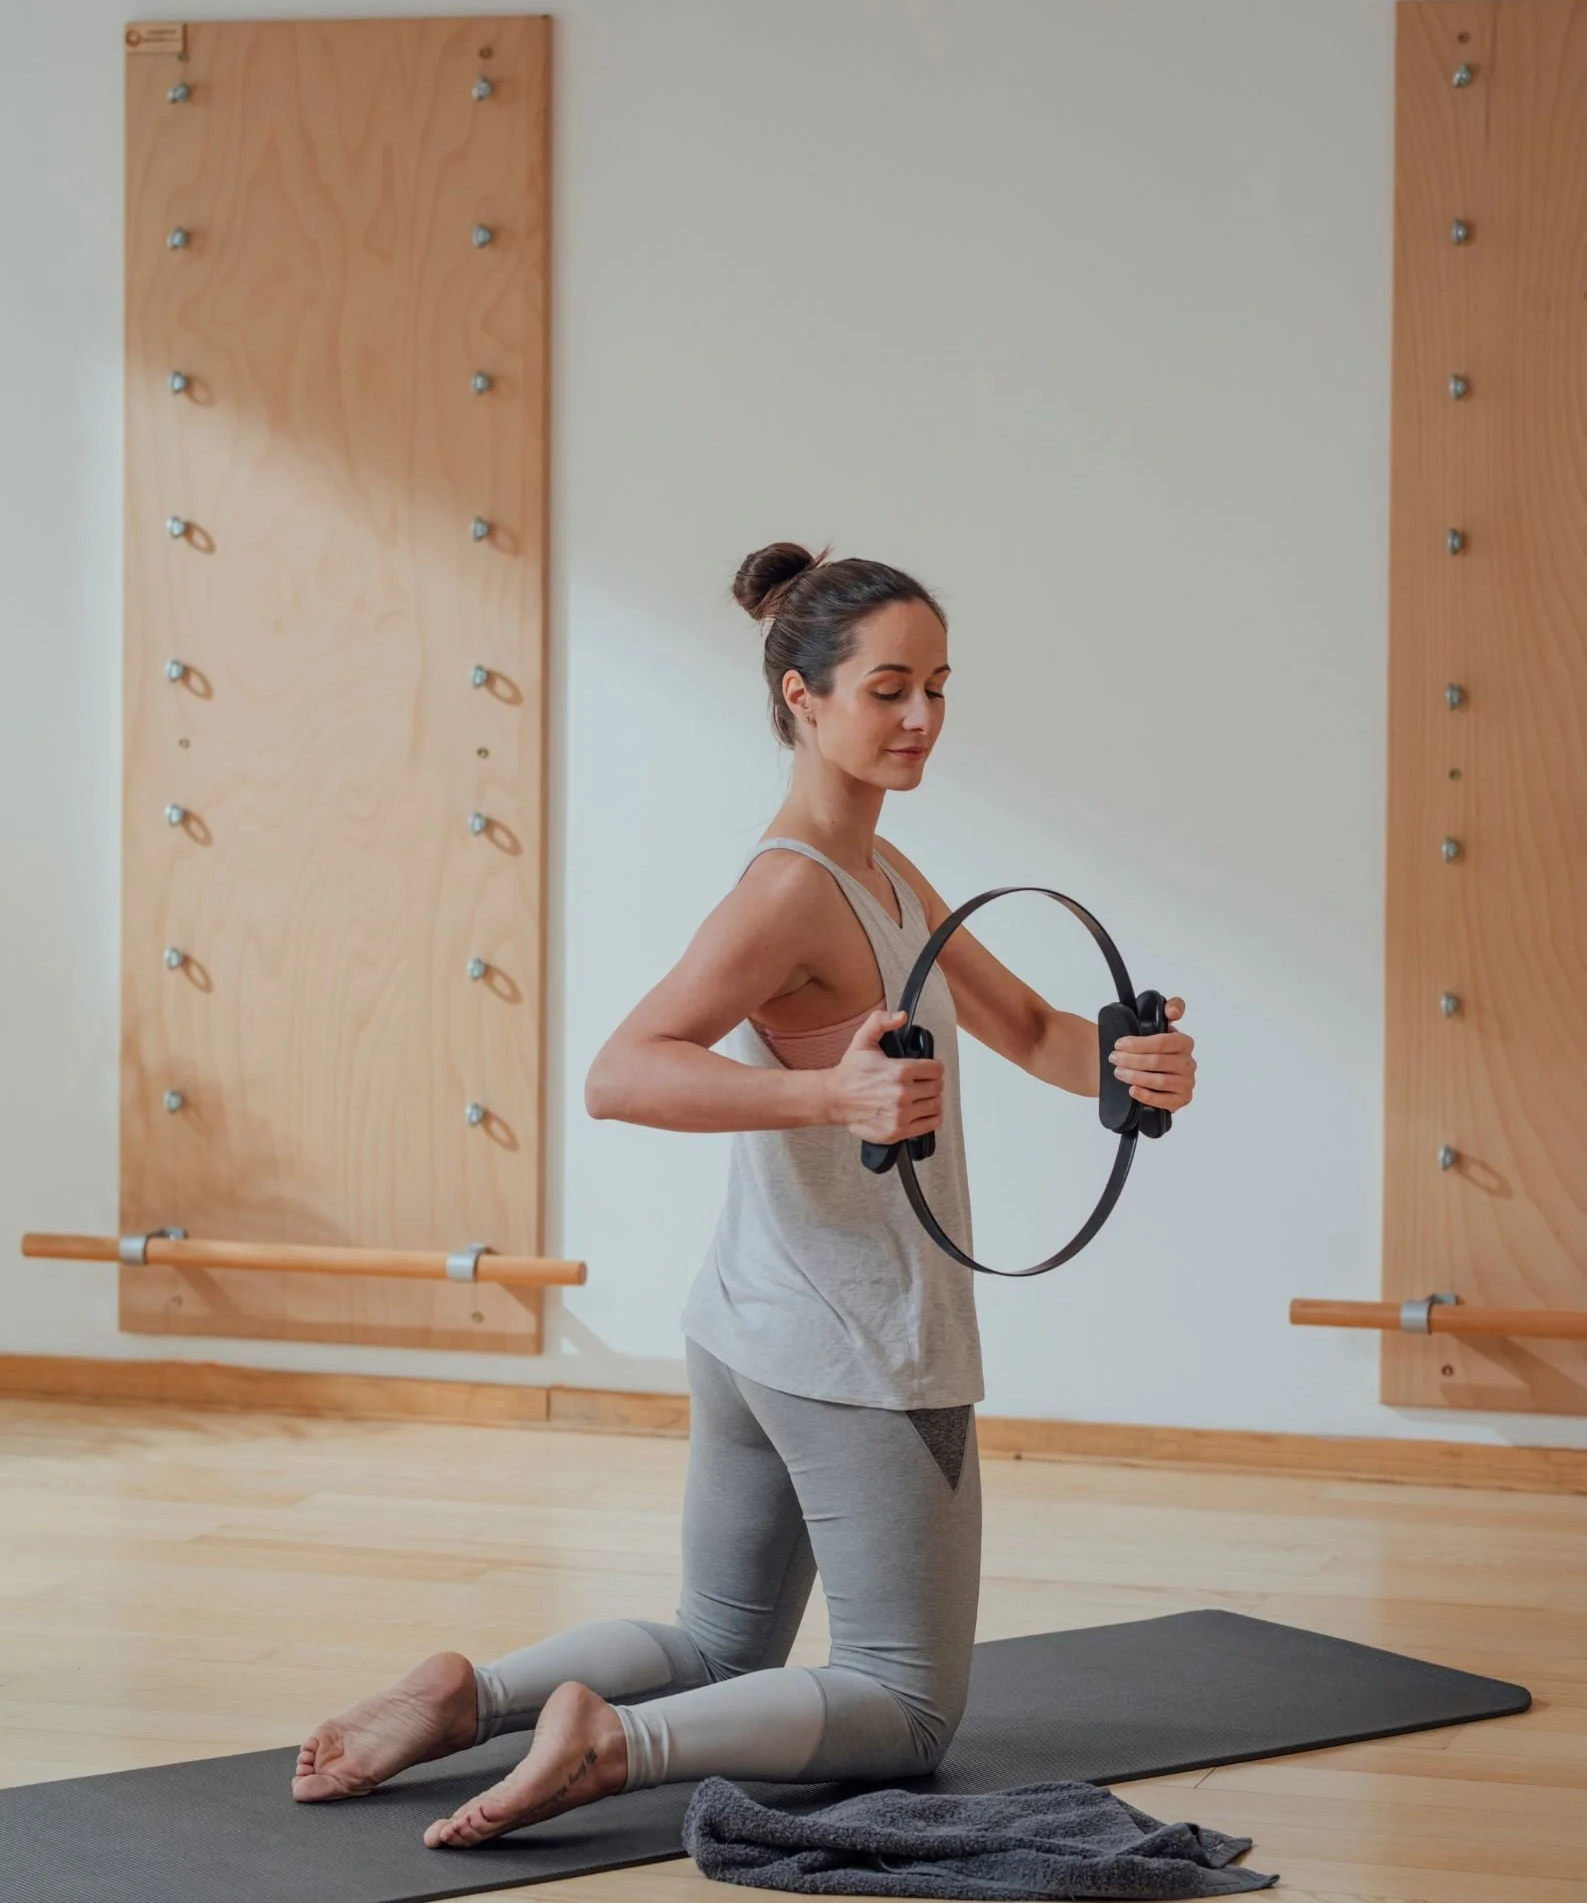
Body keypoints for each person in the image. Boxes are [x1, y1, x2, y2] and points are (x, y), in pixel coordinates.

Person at [292, 543, 1196, 1851]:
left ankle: (467, 1698)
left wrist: (1129, 1063)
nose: (921, 719)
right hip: (858, 1342)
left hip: (753, 1321)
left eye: (937, 687)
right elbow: (620, 1073)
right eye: (887, 689)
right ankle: (612, 1746)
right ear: (800, 695)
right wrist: (830, 1099)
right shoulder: (791, 890)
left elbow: (1031, 1028)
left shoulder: (889, 877)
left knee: (720, 1638)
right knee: (904, 1701)